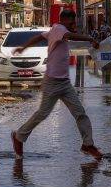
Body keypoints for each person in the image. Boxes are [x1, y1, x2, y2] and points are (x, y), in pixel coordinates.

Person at [11, 9, 104, 160]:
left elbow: (39, 37)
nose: (74, 25)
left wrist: (23, 47)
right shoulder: (60, 29)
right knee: (42, 113)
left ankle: (88, 144)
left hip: (64, 83)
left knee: (80, 113)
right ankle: (19, 136)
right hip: (52, 81)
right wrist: (89, 39)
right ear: (66, 20)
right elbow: (69, 35)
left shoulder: (55, 30)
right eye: (73, 21)